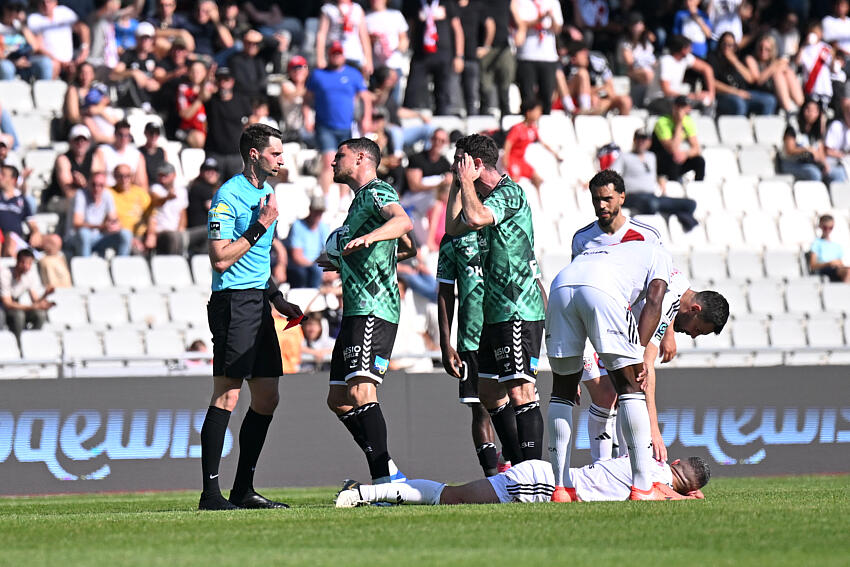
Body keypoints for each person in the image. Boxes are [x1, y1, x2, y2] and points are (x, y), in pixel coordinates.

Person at [199, 123, 304, 511]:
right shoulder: (228, 196)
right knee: (227, 394)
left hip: (259, 302)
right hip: (232, 303)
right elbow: (220, 258)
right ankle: (211, 495)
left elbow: (258, 262)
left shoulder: (267, 194)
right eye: (276, 153)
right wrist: (260, 225)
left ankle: (243, 489)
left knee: (267, 397)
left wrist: (277, 298)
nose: (282, 159)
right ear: (254, 155)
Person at [445, 133, 546, 466]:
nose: (454, 168)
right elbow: (453, 228)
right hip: (494, 313)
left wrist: (465, 183)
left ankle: (532, 472)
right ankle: (517, 463)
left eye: (459, 162)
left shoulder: (509, 192)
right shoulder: (480, 199)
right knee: (488, 392)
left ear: (475, 164)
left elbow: (474, 218)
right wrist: (457, 185)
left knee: (520, 391)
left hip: (517, 308)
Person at [545, 238, 673, 501]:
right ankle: (642, 487)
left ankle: (562, 488)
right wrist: (639, 352)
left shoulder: (606, 251)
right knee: (631, 387)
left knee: (562, 391)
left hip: (560, 284)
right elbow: (654, 300)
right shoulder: (659, 253)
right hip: (600, 286)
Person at [319, 137, 413, 486]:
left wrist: (370, 239)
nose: (333, 161)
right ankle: (390, 471)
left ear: (360, 158)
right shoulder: (359, 201)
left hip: (374, 307)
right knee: (339, 399)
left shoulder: (377, 191)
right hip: (355, 310)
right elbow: (407, 248)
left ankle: (384, 483)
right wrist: (347, 259)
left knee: (361, 391)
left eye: (339, 155)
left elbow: (403, 223)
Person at [335, 454, 710, 507]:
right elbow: (656, 496)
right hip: (543, 485)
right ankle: (365, 492)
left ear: (675, 461)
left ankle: (368, 491)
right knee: (449, 498)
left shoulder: (647, 459)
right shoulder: (659, 486)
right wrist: (688, 500)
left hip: (544, 476)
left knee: (450, 496)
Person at [436, 230, 500, 477]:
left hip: (506, 328)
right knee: (481, 410)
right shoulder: (453, 238)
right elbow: (445, 292)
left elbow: (531, 278)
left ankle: (515, 467)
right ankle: (492, 478)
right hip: (472, 338)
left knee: (519, 402)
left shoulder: (503, 227)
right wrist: (445, 344)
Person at [306, 41, 371, 196]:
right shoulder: (318, 75)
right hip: (325, 125)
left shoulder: (353, 74)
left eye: (339, 53)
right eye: (333, 54)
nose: (336, 57)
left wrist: (366, 118)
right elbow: (307, 98)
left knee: (346, 163)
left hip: (346, 126)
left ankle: (343, 199)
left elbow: (365, 97)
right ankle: (326, 198)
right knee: (329, 162)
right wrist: (307, 116)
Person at [613, 130, 698, 232]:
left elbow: (652, 173)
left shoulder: (651, 156)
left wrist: (660, 179)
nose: (641, 142)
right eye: (639, 139)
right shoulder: (624, 156)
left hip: (651, 196)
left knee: (690, 204)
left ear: (649, 142)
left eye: (644, 139)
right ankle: (676, 214)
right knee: (652, 204)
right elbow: (611, 175)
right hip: (632, 196)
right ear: (634, 140)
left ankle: (679, 216)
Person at [402, 0, 463, 117]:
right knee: (413, 90)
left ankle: (442, 120)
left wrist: (459, 56)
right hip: (421, 54)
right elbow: (411, 26)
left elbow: (457, 30)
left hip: (443, 54)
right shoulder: (414, 3)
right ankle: (411, 117)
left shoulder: (447, 3)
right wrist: (408, 47)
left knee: (443, 93)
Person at [502, 98, 560, 196]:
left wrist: (555, 154)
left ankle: (539, 202)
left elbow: (542, 143)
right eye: (537, 111)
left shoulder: (533, 129)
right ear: (528, 112)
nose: (539, 113)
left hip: (522, 161)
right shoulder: (517, 129)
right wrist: (506, 163)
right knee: (515, 182)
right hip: (513, 160)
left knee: (538, 179)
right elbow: (507, 146)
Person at [710, 32, 777, 116]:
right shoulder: (713, 59)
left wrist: (734, 61)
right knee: (740, 104)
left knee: (770, 100)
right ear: (720, 44)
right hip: (724, 94)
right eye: (725, 44)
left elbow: (750, 79)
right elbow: (713, 83)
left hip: (743, 92)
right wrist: (736, 92)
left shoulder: (736, 59)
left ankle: (762, 124)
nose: (727, 47)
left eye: (730, 45)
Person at [67, 170, 132, 257]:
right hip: (77, 239)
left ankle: (121, 263)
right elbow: (77, 223)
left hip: (98, 238)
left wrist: (114, 226)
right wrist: (101, 226)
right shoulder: (80, 195)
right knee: (84, 234)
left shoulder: (107, 195)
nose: (97, 188)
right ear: (89, 184)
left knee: (126, 234)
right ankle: (85, 263)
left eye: (101, 185)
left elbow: (113, 218)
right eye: (94, 185)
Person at [0, 164, 61, 257]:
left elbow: (31, 221)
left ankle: (47, 263)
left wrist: (35, 232)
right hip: (3, 239)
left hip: (18, 239)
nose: (0, 177)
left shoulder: (21, 200)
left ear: (13, 180)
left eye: (3, 174)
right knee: (10, 239)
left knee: (54, 241)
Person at [645, 35, 715, 115]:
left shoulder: (686, 59)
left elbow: (707, 69)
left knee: (706, 102)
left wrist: (711, 93)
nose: (691, 50)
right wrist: (691, 96)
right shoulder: (666, 61)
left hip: (677, 98)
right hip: (657, 100)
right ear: (683, 49)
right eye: (689, 48)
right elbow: (666, 91)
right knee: (681, 107)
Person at [560, 40, 632, 116]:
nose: (573, 60)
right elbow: (567, 91)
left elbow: (610, 89)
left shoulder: (598, 63)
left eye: (574, 57)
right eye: (571, 57)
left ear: (584, 53)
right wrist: (594, 92)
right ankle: (585, 113)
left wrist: (597, 93)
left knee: (625, 101)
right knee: (583, 73)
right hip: (579, 100)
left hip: (601, 98)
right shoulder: (568, 66)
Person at [204, 66, 252, 178]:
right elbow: (202, 96)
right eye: (219, 80)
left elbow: (251, 119)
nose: (222, 83)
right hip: (214, 152)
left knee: (235, 186)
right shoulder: (211, 100)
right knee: (214, 186)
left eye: (226, 80)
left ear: (232, 82)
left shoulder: (241, 100)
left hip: (236, 154)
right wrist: (207, 79)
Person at [780, 98, 840, 183]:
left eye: (814, 111)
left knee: (837, 173)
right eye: (808, 109)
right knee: (815, 174)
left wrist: (824, 164)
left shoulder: (815, 131)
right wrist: (807, 149)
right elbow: (789, 150)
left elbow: (820, 152)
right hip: (791, 163)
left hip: (808, 163)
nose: (811, 113)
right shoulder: (793, 127)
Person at [27, 0, 90, 79]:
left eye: (49, 2)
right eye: (43, 2)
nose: (46, 5)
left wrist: (84, 50)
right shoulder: (34, 19)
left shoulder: (64, 12)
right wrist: (60, 62)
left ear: (55, 2)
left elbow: (83, 28)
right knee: (53, 65)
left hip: (70, 61)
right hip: (49, 61)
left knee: (85, 69)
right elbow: (38, 47)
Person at [0, 249, 54, 339]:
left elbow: (35, 300)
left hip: (15, 305)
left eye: (29, 263)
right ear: (17, 261)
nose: (26, 266)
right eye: (23, 263)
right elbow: (7, 303)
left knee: (40, 315)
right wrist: (32, 307)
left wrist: (46, 294)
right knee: (18, 315)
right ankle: (18, 342)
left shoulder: (30, 275)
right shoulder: (5, 274)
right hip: (3, 306)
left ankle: (32, 340)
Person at [650, 96, 706, 183]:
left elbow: (696, 148)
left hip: (679, 156)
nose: (682, 110)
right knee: (673, 158)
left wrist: (686, 154)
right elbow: (672, 149)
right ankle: (674, 185)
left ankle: (698, 185)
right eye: (680, 107)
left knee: (699, 161)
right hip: (661, 160)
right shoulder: (663, 122)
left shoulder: (688, 121)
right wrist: (679, 124)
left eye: (684, 107)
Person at [745, 34, 804, 114]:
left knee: (788, 73)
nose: (763, 51)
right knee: (777, 75)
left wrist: (782, 65)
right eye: (760, 48)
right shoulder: (751, 59)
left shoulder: (774, 61)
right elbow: (758, 81)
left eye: (767, 49)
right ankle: (788, 110)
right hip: (756, 91)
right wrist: (773, 67)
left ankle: (802, 105)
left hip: (774, 91)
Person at [316, 0, 372, 77]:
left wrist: (368, 60)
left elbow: (364, 36)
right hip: (334, 55)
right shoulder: (328, 9)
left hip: (354, 55)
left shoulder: (357, 8)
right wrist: (320, 58)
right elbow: (321, 34)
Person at [286, 192, 330, 288]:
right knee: (309, 272)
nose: (318, 214)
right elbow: (297, 256)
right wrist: (318, 268)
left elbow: (328, 252)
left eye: (320, 212)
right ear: (310, 209)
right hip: (301, 267)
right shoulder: (297, 225)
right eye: (316, 211)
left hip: (317, 266)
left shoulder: (324, 227)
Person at [479, 0, 514, 117]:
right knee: (485, 84)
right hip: (485, 48)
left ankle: (506, 113)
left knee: (505, 82)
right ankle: (485, 112)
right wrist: (486, 46)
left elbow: (516, 15)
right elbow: (489, 25)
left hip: (503, 46)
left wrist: (520, 30)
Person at [109, 163, 153, 253]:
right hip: (119, 235)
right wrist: (130, 239)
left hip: (141, 234)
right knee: (135, 251)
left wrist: (151, 235)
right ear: (114, 176)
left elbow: (151, 216)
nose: (124, 179)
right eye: (120, 176)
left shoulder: (140, 192)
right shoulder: (109, 193)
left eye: (127, 176)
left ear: (132, 176)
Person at [93, 120, 148, 189]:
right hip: (109, 190)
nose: (123, 138)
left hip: (129, 192)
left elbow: (142, 183)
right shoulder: (102, 151)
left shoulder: (137, 155)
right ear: (115, 134)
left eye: (126, 135)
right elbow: (97, 177)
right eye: (120, 135)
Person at [616, 12, 656, 108]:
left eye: (640, 23)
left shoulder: (646, 43)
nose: (638, 27)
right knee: (648, 74)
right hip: (629, 70)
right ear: (629, 27)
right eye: (635, 24)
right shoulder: (625, 43)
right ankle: (647, 101)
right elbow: (630, 63)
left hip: (648, 69)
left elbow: (653, 61)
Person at [148, 162, 188, 255]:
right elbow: (156, 201)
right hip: (160, 231)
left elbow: (182, 213)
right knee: (173, 237)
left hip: (176, 231)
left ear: (174, 175)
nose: (163, 178)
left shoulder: (182, 191)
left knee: (207, 232)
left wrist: (180, 229)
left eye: (165, 175)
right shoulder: (155, 188)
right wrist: (167, 198)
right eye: (160, 175)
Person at [186, 157, 221, 255]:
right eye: (207, 170)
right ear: (201, 173)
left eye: (214, 170)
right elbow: (214, 209)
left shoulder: (211, 188)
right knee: (216, 229)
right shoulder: (200, 187)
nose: (211, 173)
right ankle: (209, 258)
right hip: (198, 231)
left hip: (204, 230)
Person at [809, 214, 850, 282]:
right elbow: (813, 265)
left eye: (830, 228)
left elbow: (840, 263)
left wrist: (837, 264)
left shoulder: (837, 245)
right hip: (824, 270)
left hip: (836, 270)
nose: (828, 230)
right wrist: (829, 263)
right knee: (848, 271)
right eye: (825, 228)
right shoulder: (816, 243)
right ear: (820, 226)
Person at [825, 98, 850, 182]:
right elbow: (827, 151)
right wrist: (844, 155)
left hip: (846, 163)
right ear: (845, 113)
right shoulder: (836, 126)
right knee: (841, 174)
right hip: (832, 163)